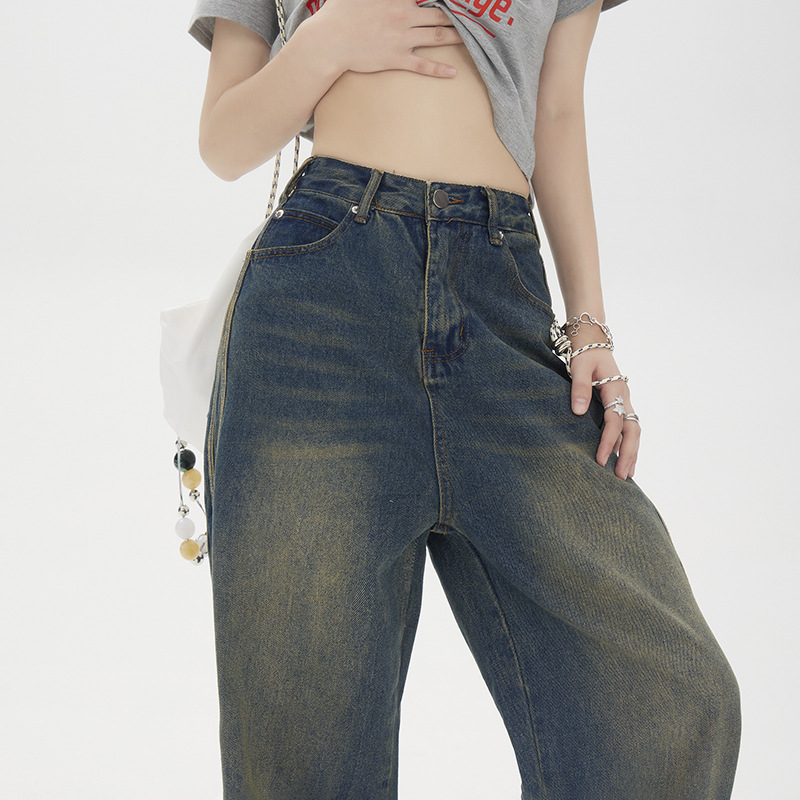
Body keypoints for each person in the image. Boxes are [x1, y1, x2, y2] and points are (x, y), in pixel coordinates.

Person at [188, 0, 742, 797]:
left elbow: (557, 110)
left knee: (673, 698)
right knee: (304, 748)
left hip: (503, 293)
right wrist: (321, 44)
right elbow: (223, 142)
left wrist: (588, 327)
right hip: (322, 297)